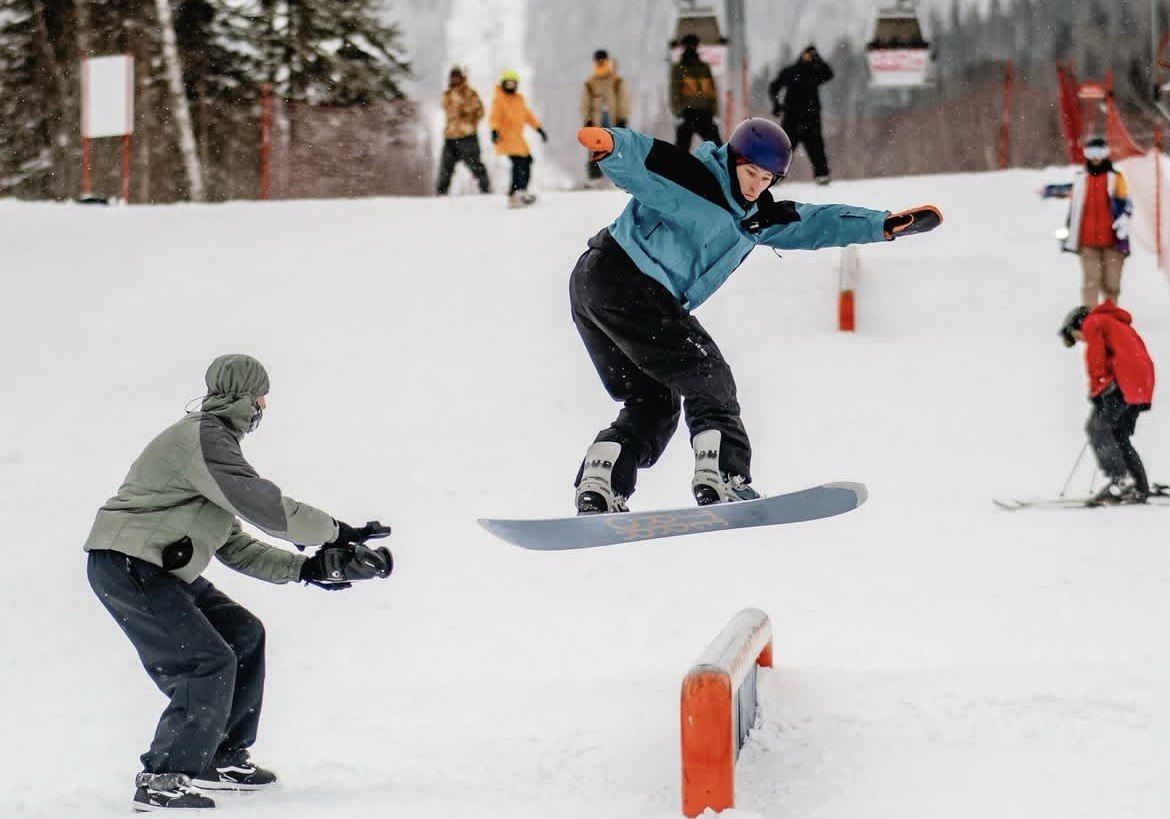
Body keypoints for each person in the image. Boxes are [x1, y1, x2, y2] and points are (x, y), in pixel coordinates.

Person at [571, 119, 941, 513]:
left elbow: (816, 221)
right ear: (731, 160)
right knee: (707, 375)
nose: (755, 186)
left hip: (596, 288)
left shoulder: (757, 218)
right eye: (750, 173)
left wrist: (882, 225)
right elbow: (646, 157)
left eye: (766, 179)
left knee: (652, 401)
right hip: (626, 279)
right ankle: (724, 478)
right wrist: (611, 145)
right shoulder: (693, 177)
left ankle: (600, 483)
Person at [84, 354, 393, 811]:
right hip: (129, 564)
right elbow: (263, 504)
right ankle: (162, 778)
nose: (265, 405)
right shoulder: (202, 438)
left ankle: (219, 757)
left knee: (243, 634)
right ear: (246, 395)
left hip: (157, 570)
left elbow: (234, 544)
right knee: (205, 661)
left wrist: (305, 569)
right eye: (262, 394)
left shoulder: (211, 453)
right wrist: (337, 531)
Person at [1059, 303, 1155, 505]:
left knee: (1098, 428)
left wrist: (1097, 390)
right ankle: (1139, 484)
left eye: (1077, 336)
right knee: (1118, 435)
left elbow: (1096, 359)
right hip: (1140, 384)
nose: (1082, 340)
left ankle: (1122, 481)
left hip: (1123, 383)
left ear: (1077, 323)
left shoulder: (1093, 322)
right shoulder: (1115, 323)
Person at [1061, 135, 1132, 306]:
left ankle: (1110, 315)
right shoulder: (1080, 178)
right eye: (1091, 152)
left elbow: (1125, 203)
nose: (1095, 157)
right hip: (1087, 240)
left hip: (1112, 241)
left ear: (1106, 153)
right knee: (1090, 281)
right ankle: (1090, 316)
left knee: (1112, 283)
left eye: (1099, 152)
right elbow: (1073, 204)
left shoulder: (1116, 178)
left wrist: (1123, 221)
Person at [768, 45, 834, 185]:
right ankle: (775, 175)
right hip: (792, 115)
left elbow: (829, 74)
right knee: (786, 147)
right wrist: (776, 104)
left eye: (812, 55)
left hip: (811, 116)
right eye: (808, 54)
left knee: (815, 146)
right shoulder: (791, 71)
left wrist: (818, 60)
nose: (809, 57)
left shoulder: (815, 71)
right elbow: (774, 87)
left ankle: (822, 175)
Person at [489, 69, 547, 208]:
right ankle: (516, 192)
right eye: (507, 84)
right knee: (519, 163)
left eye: (512, 84)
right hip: (506, 137)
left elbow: (527, 115)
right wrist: (494, 131)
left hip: (518, 138)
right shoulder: (499, 100)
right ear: (503, 84)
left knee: (527, 161)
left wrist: (539, 129)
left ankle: (521, 191)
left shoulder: (518, 99)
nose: (510, 86)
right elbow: (494, 117)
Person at [437, 66, 491, 196]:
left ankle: (485, 191)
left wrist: (467, 111)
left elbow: (480, 111)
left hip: (467, 136)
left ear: (461, 78)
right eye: (452, 77)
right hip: (450, 135)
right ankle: (441, 194)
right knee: (445, 168)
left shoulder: (470, 93)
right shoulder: (447, 94)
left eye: (457, 77)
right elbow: (445, 107)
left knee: (475, 166)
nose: (454, 79)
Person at [581, 49, 629, 182]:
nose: (601, 63)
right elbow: (585, 102)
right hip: (596, 121)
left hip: (613, 120)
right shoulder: (590, 82)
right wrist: (587, 120)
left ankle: (620, 175)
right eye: (598, 60)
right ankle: (596, 176)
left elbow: (623, 99)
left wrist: (622, 118)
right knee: (596, 148)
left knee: (616, 147)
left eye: (603, 60)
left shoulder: (616, 80)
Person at [671, 33, 721, 150]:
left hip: (697, 111)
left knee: (683, 147)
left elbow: (711, 90)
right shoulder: (681, 68)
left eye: (693, 45)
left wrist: (678, 110)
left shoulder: (702, 67)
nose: (692, 48)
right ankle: (722, 166)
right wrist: (678, 110)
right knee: (714, 145)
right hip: (694, 111)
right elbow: (674, 91)